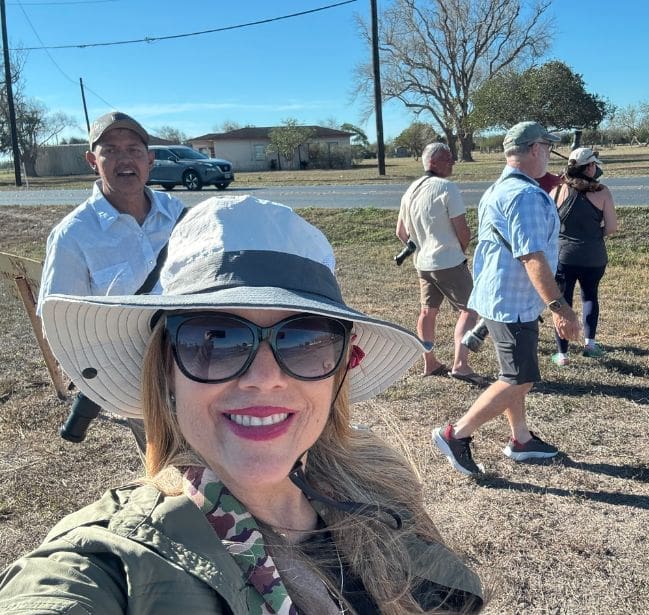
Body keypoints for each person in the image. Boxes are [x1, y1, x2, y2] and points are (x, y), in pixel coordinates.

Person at [0, 196, 484, 613]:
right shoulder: (112, 565)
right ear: (165, 370)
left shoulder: (379, 488)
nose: (265, 379)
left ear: (341, 367)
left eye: (304, 340)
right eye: (216, 337)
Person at [431, 122, 581, 476]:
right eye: (547, 146)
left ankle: (521, 439)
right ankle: (456, 434)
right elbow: (532, 257)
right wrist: (560, 307)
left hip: (505, 298)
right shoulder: (524, 196)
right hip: (512, 301)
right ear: (534, 150)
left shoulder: (502, 188)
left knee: (513, 372)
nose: (549, 154)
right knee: (519, 377)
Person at [37, 111, 185, 447]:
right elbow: (57, 321)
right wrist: (99, 377)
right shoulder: (73, 235)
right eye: (111, 151)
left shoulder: (178, 213)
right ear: (93, 160)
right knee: (170, 470)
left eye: (133, 150)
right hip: (134, 377)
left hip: (197, 361)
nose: (124, 160)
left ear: (149, 160)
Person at [396, 142, 489, 387]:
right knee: (470, 310)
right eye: (448, 158)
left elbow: (400, 232)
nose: (453, 162)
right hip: (448, 260)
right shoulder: (447, 188)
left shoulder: (411, 190)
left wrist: (417, 244)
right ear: (434, 162)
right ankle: (461, 364)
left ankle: (430, 361)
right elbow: (462, 229)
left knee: (428, 311)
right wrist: (460, 249)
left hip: (423, 263)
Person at [548, 147, 618, 366]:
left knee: (561, 302)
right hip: (594, 256)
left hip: (564, 255)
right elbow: (612, 227)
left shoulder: (557, 190)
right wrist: (594, 235)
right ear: (589, 167)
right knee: (590, 297)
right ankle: (590, 344)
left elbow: (550, 224)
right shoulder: (603, 192)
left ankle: (562, 354)